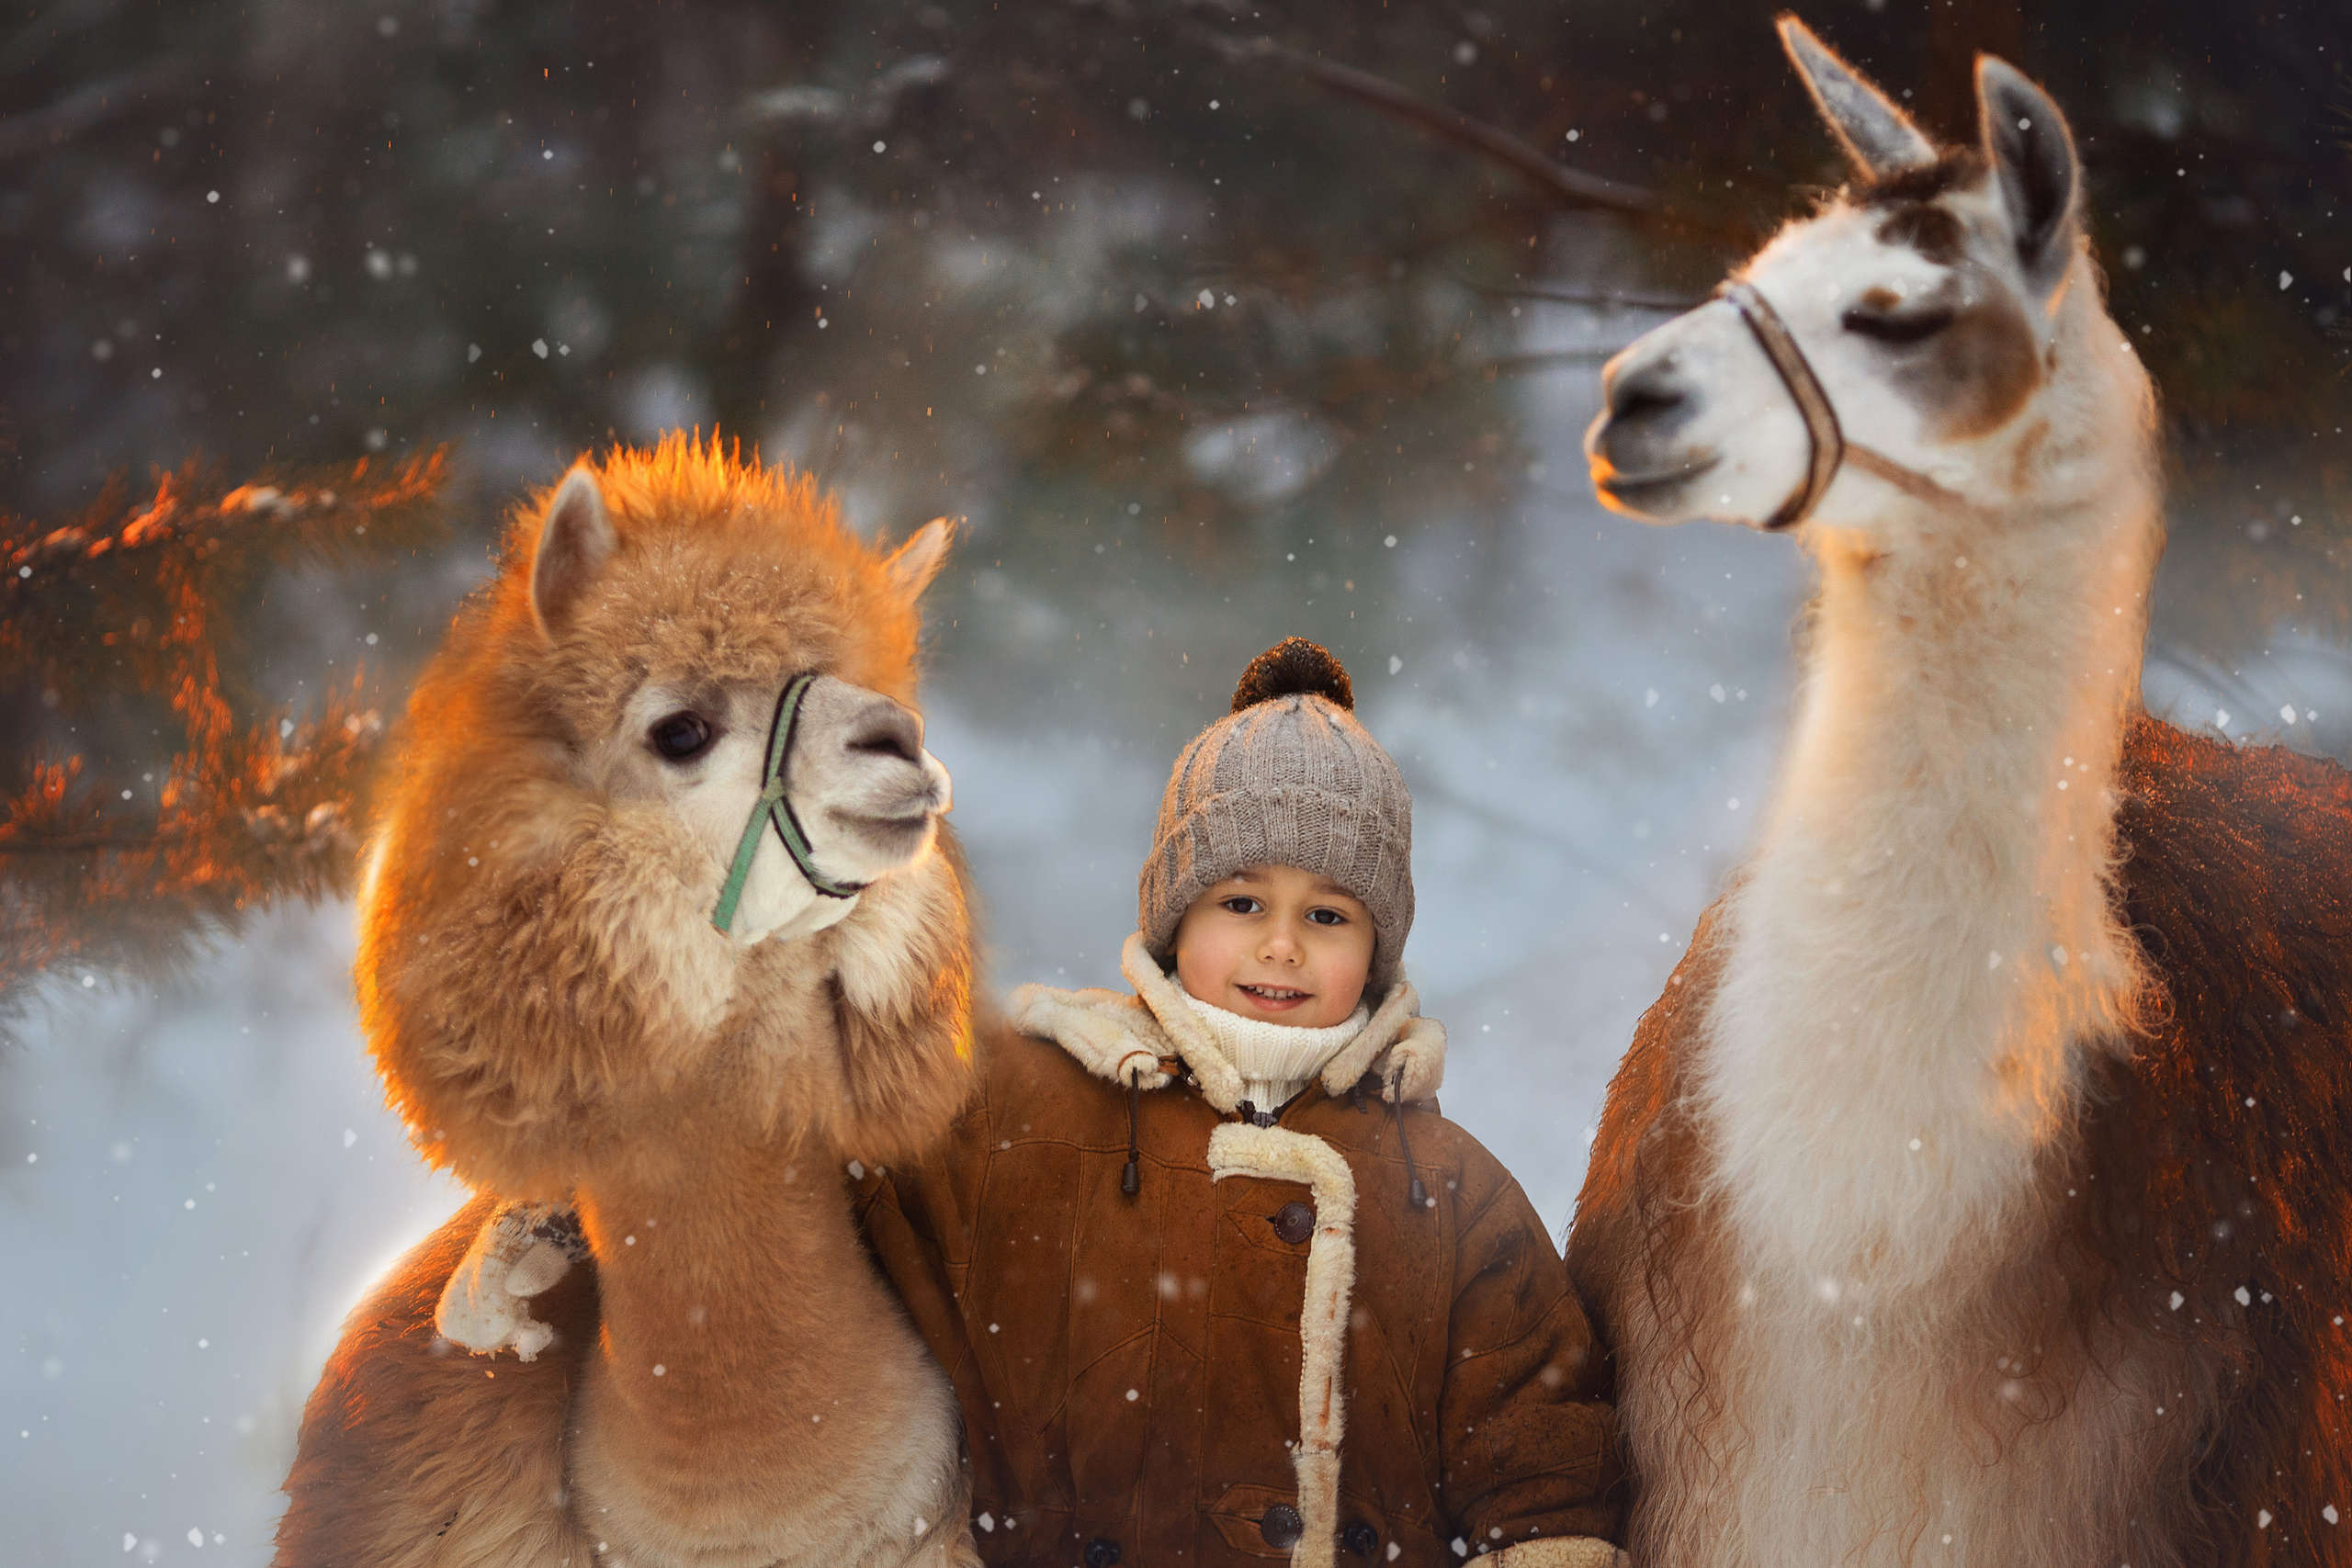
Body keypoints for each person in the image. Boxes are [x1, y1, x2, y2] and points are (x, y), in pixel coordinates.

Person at [439, 637, 1624, 1568]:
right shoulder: (1027, 1113)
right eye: (1240, 903)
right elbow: (799, 1176)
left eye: (1328, 915)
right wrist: (590, 1209)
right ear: (1173, 916)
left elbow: (1539, 1451)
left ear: (1379, 946)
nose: (1280, 945)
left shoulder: (1444, 1187)